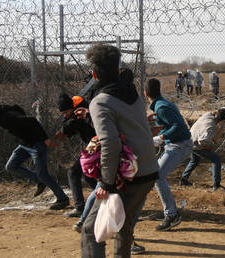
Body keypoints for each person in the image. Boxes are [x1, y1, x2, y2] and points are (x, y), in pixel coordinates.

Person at [80, 44, 159, 258]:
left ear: (94, 74)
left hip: (128, 177)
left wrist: (106, 183)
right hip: (149, 170)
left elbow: (110, 143)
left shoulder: (100, 100)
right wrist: (90, 116)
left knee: (90, 231)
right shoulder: (131, 92)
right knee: (123, 226)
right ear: (117, 69)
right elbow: (125, 122)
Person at [0, 103, 70, 210]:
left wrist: (46, 139)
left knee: (43, 174)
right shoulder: (0, 111)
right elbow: (16, 107)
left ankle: (63, 199)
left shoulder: (8, 118)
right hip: (25, 144)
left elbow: (32, 121)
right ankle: (39, 180)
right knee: (11, 166)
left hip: (37, 144)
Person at [145, 78, 192, 231]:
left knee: (157, 175)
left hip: (180, 145)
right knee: (157, 175)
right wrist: (160, 135)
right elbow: (170, 125)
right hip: (177, 144)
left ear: (146, 93)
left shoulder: (161, 107)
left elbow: (178, 126)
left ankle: (171, 215)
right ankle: (170, 212)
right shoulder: (162, 104)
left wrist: (161, 137)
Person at [48, 92, 98, 217]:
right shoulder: (78, 106)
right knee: (88, 175)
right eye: (63, 113)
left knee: (73, 172)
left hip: (96, 144)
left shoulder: (78, 114)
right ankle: (106, 200)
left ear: (72, 108)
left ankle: (79, 207)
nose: (65, 115)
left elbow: (65, 129)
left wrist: (50, 142)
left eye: (66, 112)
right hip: (96, 143)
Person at [180, 108, 225, 191]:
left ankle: (184, 179)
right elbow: (202, 141)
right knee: (216, 159)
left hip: (190, 140)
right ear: (222, 120)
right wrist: (209, 147)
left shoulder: (208, 115)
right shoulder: (212, 128)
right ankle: (216, 185)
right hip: (196, 145)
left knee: (194, 160)